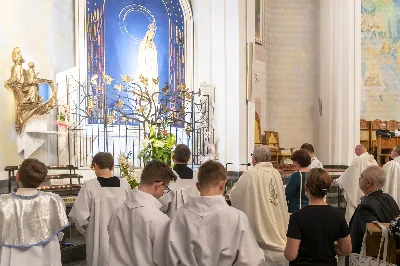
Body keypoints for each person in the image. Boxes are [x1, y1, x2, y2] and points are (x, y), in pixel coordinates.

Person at [166, 160, 265, 266]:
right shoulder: (237, 217)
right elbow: (252, 261)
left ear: (198, 186)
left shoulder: (179, 216)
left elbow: (169, 258)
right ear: (223, 185)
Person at [0, 158, 68, 266]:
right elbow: (57, 229)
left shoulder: (3, 202)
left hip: (11, 256)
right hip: (46, 253)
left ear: (17, 176)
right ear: (42, 179)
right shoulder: (53, 200)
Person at [108, 160, 177, 266]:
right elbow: (165, 260)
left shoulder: (118, 210)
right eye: (165, 188)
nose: (164, 192)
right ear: (158, 185)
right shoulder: (159, 220)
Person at [230, 145, 289, 266]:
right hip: (277, 223)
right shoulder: (276, 173)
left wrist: (229, 194)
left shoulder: (251, 173)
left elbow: (235, 194)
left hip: (260, 229)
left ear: (255, 159)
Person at [69, 152, 131, 266]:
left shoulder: (90, 186)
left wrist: (90, 230)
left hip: (98, 237)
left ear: (96, 165)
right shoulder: (124, 185)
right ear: (112, 167)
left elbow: (78, 216)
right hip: (121, 236)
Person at [285, 168, 352, 266]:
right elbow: (346, 250)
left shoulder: (297, 217)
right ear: (327, 189)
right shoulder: (338, 215)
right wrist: (327, 248)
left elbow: (290, 255)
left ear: (306, 188)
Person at [350, 165, 400, 253]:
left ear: (368, 183)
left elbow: (371, 236)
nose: (359, 179)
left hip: (373, 258)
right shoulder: (390, 199)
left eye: (361, 177)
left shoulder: (366, 206)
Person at [334, 144, 378, 223]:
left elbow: (350, 173)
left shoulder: (359, 159)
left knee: (353, 209)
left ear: (358, 150)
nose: (355, 154)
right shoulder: (373, 160)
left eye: (355, 152)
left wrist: (338, 180)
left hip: (358, 190)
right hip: (371, 191)